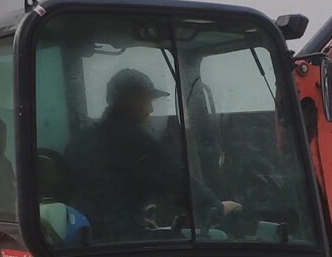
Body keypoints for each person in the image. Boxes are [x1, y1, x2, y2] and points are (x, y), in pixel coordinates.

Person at [66, 67, 237, 242]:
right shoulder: (134, 140)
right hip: (117, 243)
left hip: (85, 236)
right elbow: (175, 180)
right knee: (216, 239)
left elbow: (96, 195)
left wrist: (130, 218)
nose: (151, 109)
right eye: (147, 100)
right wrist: (214, 208)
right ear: (132, 100)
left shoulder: (83, 139)